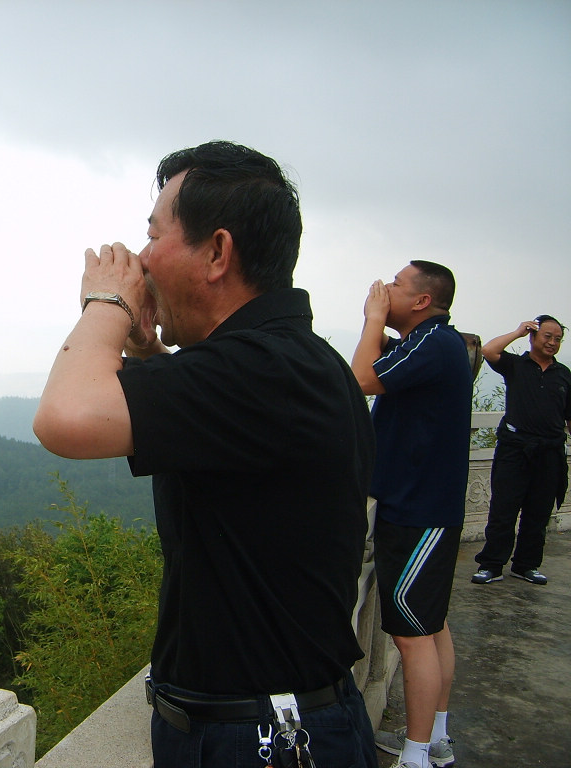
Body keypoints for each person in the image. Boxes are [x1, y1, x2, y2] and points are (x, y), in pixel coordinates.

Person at [34, 141, 377, 768]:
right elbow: (218, 420)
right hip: (275, 722)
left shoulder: (264, 372)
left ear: (217, 252)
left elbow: (66, 417)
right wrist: (144, 352)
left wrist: (106, 301)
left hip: (261, 741)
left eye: (154, 233)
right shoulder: (294, 364)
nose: (139, 258)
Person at [350, 261, 473, 768]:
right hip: (429, 508)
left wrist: (371, 319)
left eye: (397, 284)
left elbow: (358, 379)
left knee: (413, 636)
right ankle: (436, 738)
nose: (387, 287)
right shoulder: (429, 346)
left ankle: (418, 755)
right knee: (433, 626)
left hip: (416, 512)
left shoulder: (432, 341)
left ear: (422, 301)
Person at [472, 316, 571, 586]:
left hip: (550, 452)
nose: (552, 342)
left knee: (538, 513)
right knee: (504, 509)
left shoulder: (563, 375)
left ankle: (526, 565)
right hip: (514, 450)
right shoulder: (516, 365)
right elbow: (490, 351)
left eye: (558, 339)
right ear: (534, 336)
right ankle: (491, 565)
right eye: (547, 336)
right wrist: (517, 331)